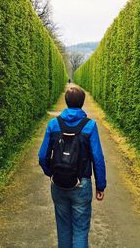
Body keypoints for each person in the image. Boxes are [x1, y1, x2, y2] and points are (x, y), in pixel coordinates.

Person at [38, 86, 106, 248]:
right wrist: (100, 185)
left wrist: (52, 173)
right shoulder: (89, 126)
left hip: (59, 184)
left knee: (63, 228)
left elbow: (42, 156)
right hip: (81, 183)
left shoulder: (54, 124)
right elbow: (97, 158)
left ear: (66, 102)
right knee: (81, 230)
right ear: (82, 103)